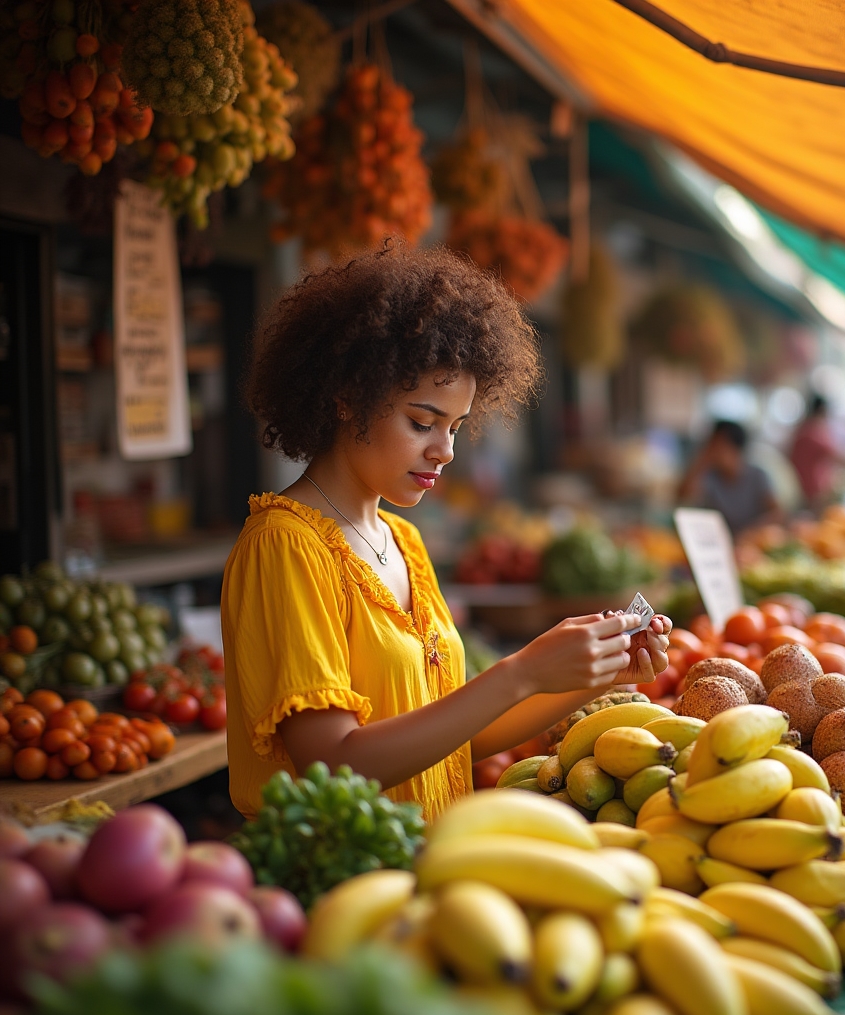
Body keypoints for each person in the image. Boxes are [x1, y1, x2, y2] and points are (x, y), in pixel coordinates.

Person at [221, 244, 670, 824]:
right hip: (343, 888)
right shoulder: (284, 547)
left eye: (456, 427)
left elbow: (451, 743)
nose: (446, 450)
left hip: (429, 872)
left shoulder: (402, 541)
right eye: (421, 422)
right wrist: (522, 670)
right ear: (344, 401)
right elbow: (332, 765)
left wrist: (597, 672)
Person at [678, 420, 780, 536]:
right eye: (712, 445)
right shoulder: (711, 475)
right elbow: (682, 496)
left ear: (735, 449)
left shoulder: (757, 476)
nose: (715, 450)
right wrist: (702, 462)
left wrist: (752, 532)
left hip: (751, 542)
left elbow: (777, 513)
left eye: (719, 445)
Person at [789, 394, 841, 507]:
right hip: (810, 488)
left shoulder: (802, 428)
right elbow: (835, 454)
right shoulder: (813, 432)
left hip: (800, 484)